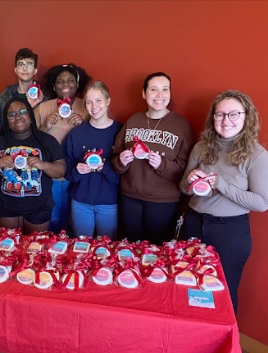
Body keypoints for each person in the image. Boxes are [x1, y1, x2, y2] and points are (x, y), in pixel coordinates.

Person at [179, 90, 268, 314]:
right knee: (186, 286)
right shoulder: (202, 147)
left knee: (223, 294)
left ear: (246, 117)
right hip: (193, 224)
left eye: (233, 114)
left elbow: (261, 203)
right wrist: (189, 181)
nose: (225, 121)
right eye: (220, 115)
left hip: (230, 233)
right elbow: (183, 188)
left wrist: (220, 183)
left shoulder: (256, 155)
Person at [112, 72, 194, 244]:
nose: (159, 95)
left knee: (156, 250)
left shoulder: (181, 125)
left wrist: (162, 164)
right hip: (129, 196)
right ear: (144, 94)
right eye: (154, 89)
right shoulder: (133, 120)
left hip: (163, 200)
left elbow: (186, 168)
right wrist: (121, 161)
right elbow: (115, 159)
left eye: (165, 89)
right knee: (129, 248)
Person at [0, 97, 66, 234]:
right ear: (7, 120)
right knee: (10, 248)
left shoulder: (46, 140)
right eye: (12, 114)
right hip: (6, 206)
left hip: (39, 207)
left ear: (30, 115)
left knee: (34, 250)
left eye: (22, 112)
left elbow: (61, 170)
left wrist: (42, 165)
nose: (17, 117)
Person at [34, 63, 91, 234]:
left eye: (70, 80)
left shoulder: (87, 106)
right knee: (53, 220)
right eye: (60, 82)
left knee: (75, 223)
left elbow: (99, 137)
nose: (65, 85)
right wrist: (45, 126)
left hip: (79, 176)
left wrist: (83, 126)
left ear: (77, 84)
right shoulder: (43, 108)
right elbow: (29, 144)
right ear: (53, 86)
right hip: (50, 177)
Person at [64, 81, 121, 239]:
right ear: (84, 105)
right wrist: (77, 170)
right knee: (81, 247)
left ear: (108, 101)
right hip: (80, 202)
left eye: (98, 100)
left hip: (109, 203)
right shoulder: (76, 134)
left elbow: (124, 176)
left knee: (107, 249)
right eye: (89, 102)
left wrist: (105, 168)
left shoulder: (120, 132)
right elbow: (67, 172)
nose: (94, 106)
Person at [0, 48, 43, 132]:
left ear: (35, 71)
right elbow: (0, 126)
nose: (25, 68)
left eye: (29, 64)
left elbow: (46, 129)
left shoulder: (44, 96)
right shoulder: (5, 96)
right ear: (15, 70)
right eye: (21, 64)